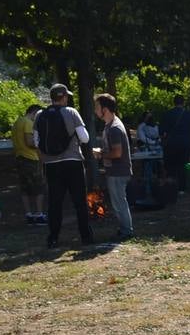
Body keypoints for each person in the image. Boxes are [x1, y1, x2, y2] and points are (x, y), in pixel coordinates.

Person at [36, 84, 94, 249]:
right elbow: (85, 139)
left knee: (55, 203)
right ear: (64, 97)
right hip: (72, 162)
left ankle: (53, 238)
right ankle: (86, 236)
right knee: (79, 202)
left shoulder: (40, 115)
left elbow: (36, 141)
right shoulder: (71, 112)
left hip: (51, 165)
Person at [94, 93, 134, 241]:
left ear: (105, 109)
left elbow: (117, 153)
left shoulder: (114, 128)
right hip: (115, 171)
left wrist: (100, 154)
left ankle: (127, 231)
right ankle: (124, 229)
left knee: (119, 203)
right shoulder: (110, 125)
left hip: (118, 172)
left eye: (97, 107)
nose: (95, 110)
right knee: (118, 202)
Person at [11, 105, 47, 225]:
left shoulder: (17, 122)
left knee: (25, 188)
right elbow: (30, 142)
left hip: (19, 157)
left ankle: (29, 214)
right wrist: (42, 142)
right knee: (39, 187)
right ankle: (39, 214)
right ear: (35, 113)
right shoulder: (28, 123)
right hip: (31, 159)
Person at [162, 95, 190, 190]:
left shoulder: (168, 114)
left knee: (170, 167)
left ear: (174, 102)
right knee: (183, 166)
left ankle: (170, 187)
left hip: (171, 144)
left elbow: (161, 131)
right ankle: (182, 188)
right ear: (183, 103)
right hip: (185, 144)